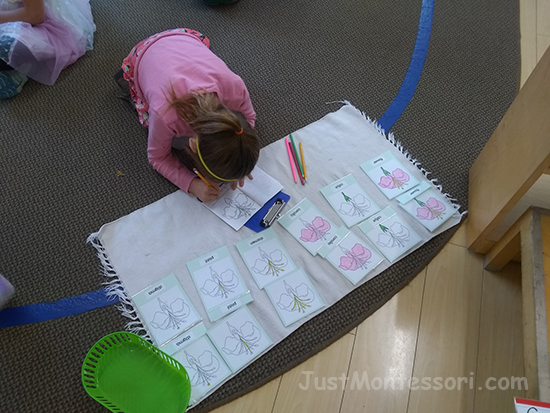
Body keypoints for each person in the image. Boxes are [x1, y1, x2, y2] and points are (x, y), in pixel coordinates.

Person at [119, 28, 260, 202]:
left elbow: (249, 119)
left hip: (184, 40)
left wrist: (238, 155)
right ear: (193, 145)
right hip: (144, 53)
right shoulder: (165, 115)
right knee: (175, 143)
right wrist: (193, 184)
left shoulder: (236, 87)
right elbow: (157, 158)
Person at [0, 0, 95, 98]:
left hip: (41, 21)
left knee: (7, 47)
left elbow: (35, 16)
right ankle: (16, 64)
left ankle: (24, 67)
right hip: (11, 14)